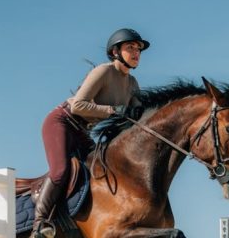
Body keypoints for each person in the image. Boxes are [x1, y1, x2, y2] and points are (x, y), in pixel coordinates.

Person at [31, 28, 149, 238]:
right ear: (115, 52)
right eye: (130, 47)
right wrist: (113, 111)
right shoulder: (104, 71)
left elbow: (134, 119)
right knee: (60, 171)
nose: (136, 52)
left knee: (100, 170)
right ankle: (40, 223)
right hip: (62, 121)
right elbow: (78, 106)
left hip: (83, 131)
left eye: (139, 49)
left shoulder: (132, 84)